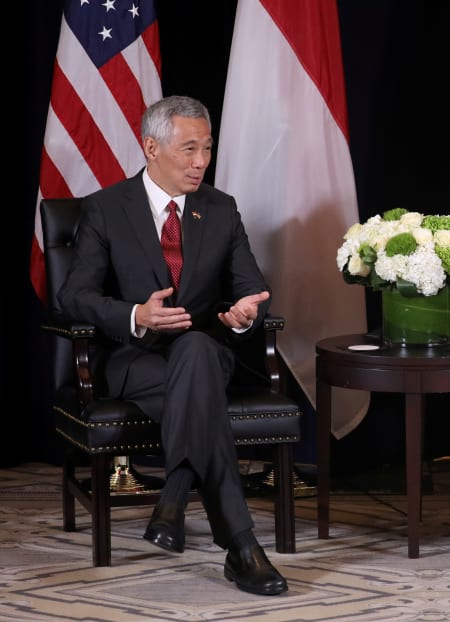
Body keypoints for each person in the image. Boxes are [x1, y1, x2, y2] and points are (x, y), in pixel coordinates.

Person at [57, 95, 287, 596]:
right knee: (201, 389)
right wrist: (136, 315)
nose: (201, 161)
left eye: (207, 148)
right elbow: (73, 296)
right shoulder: (106, 207)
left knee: (198, 351)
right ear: (151, 147)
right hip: (135, 359)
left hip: (204, 351)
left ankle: (175, 496)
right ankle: (240, 546)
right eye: (189, 149)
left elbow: (252, 288)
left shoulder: (221, 209)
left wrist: (246, 314)